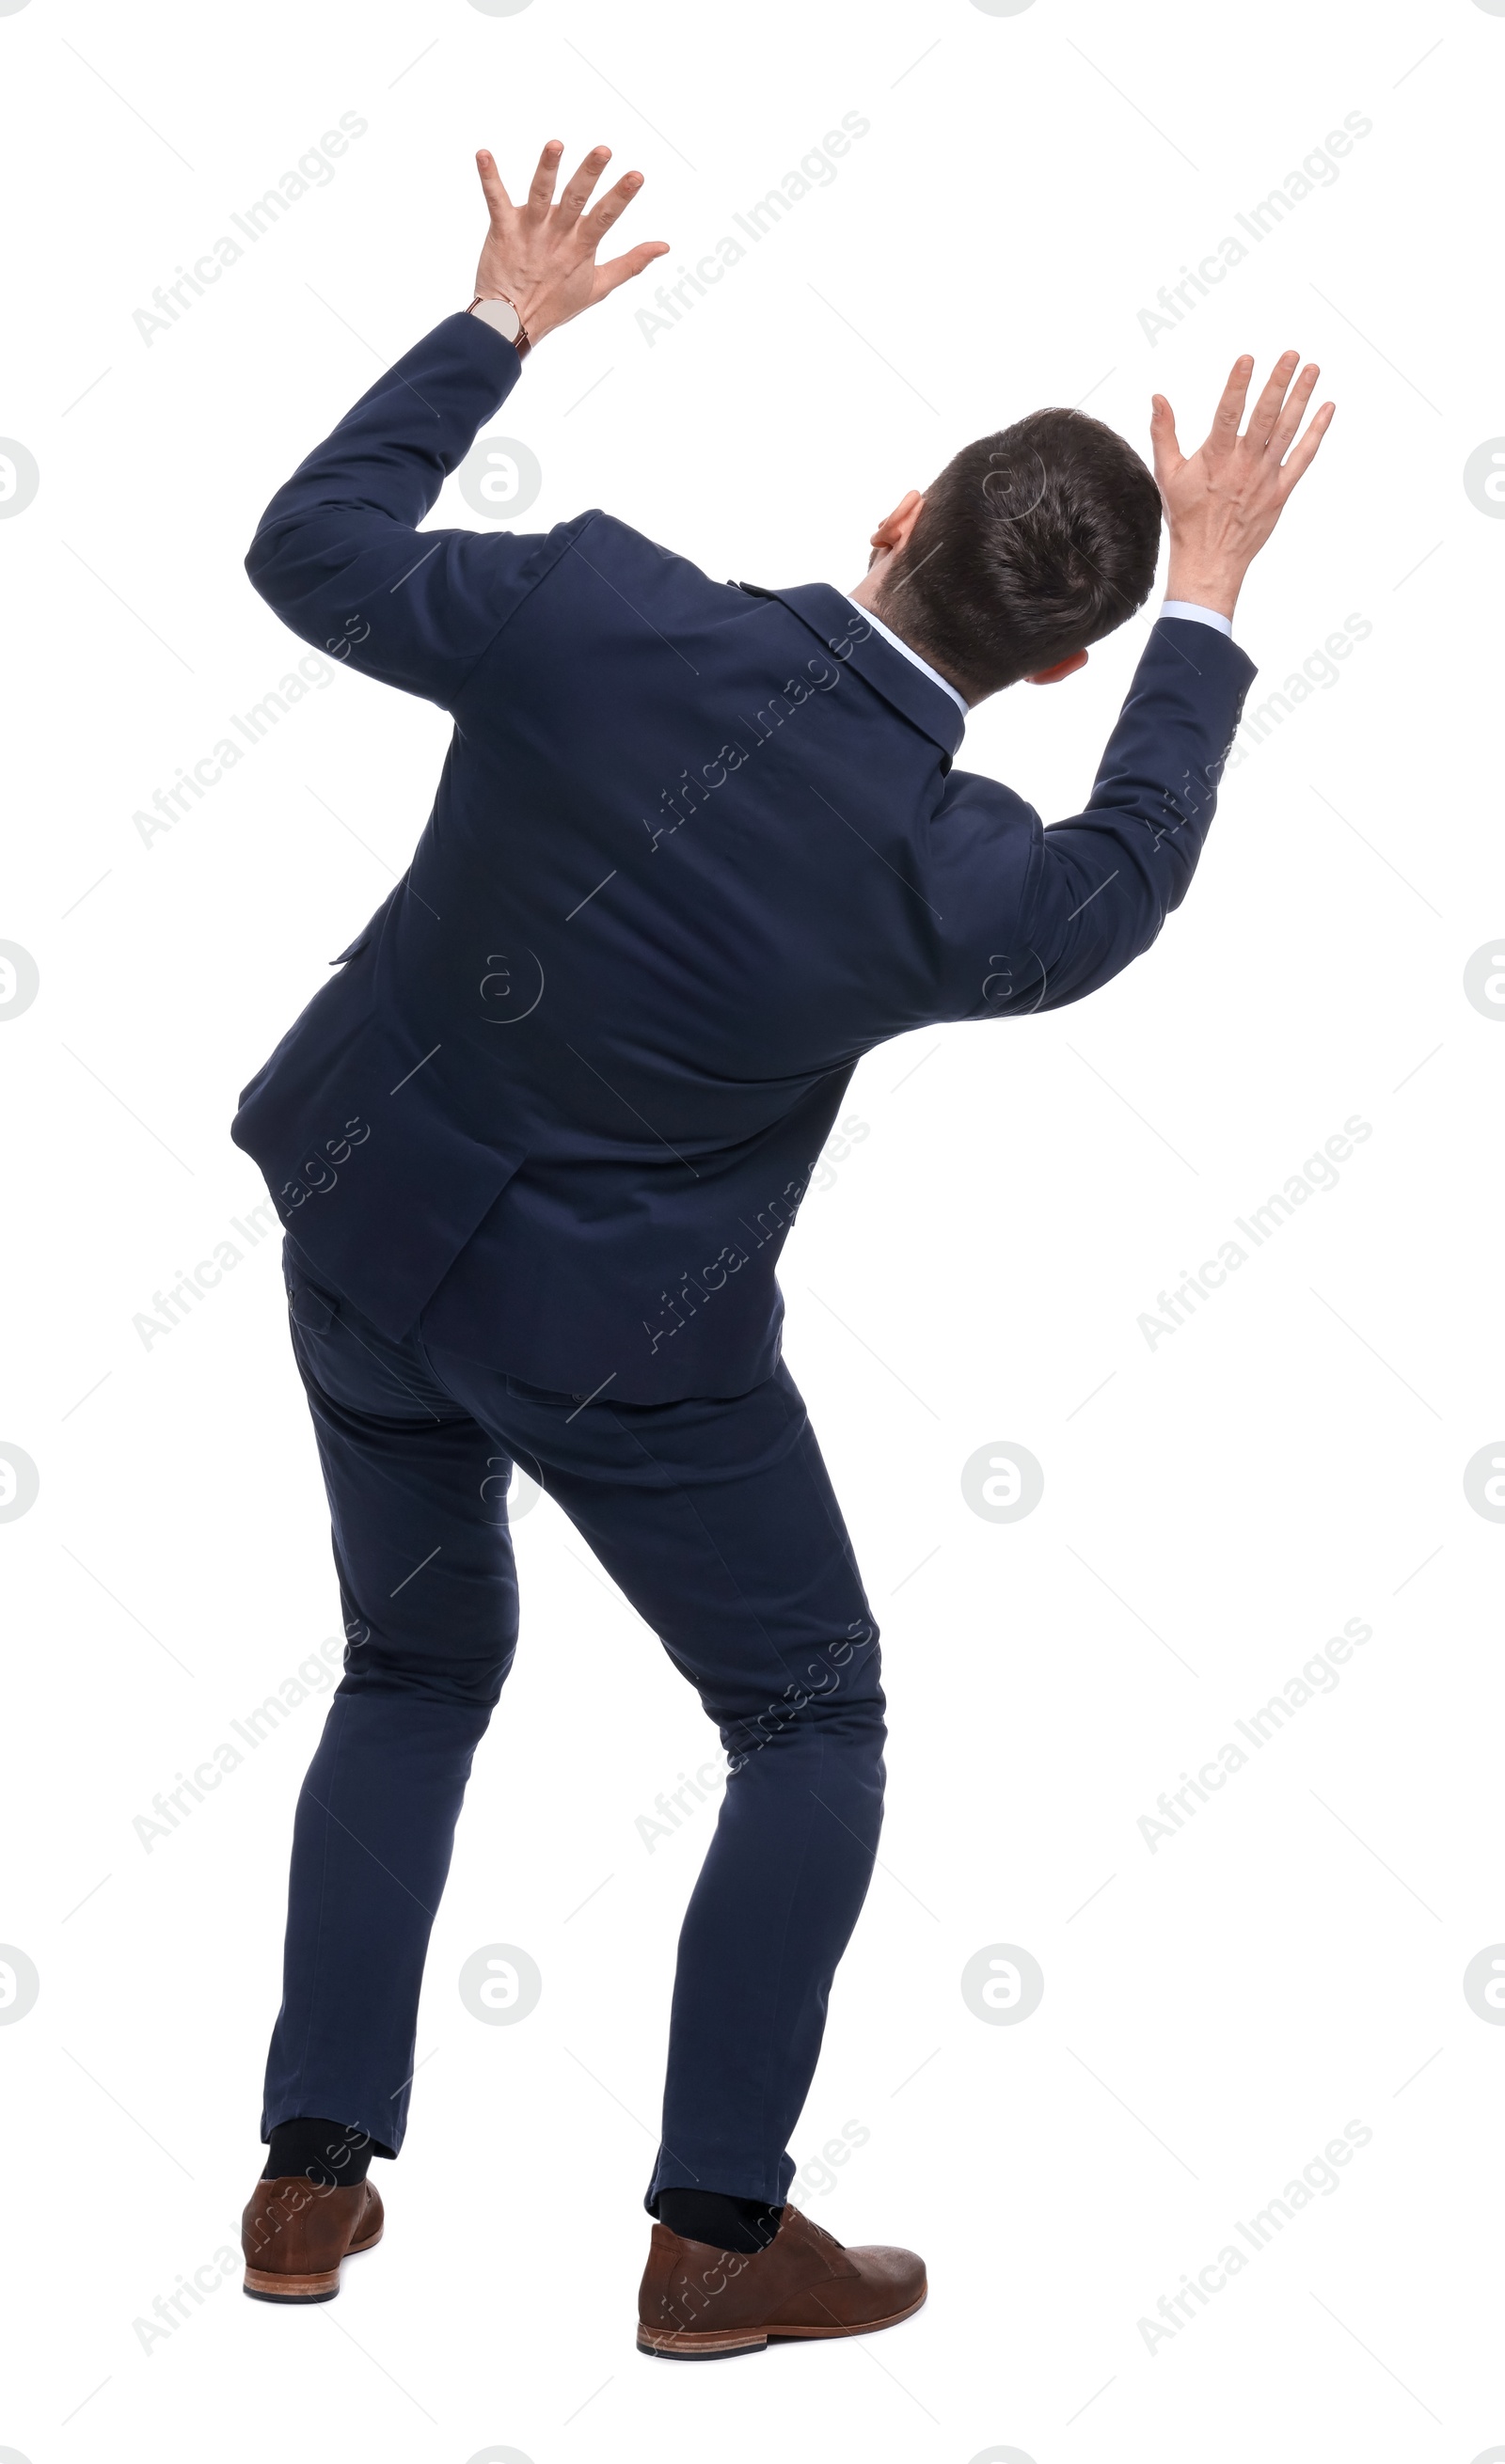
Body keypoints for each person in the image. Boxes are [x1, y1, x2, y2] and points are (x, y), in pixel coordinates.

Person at [231, 137, 1333, 2353]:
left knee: (411, 1668)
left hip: (358, 1209)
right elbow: (1127, 876)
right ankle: (715, 2232)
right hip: (624, 1351)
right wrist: (1205, 599)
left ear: (890, 518)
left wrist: (496, 323)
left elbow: (308, 551)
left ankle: (305, 2180)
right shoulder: (961, 877)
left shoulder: (596, 607)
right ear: (1047, 671)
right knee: (808, 1714)